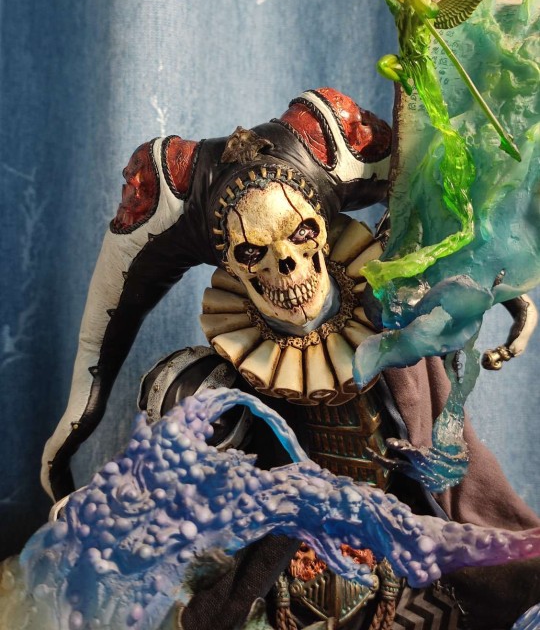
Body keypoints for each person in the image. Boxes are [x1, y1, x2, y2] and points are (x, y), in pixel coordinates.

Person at [41, 88, 539, 629]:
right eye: (252, 252)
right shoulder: (216, 388)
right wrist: (106, 508)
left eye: (300, 233)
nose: (286, 263)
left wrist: (496, 284)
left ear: (321, 230)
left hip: (412, 554)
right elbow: (177, 482)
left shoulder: (395, 319)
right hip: (295, 571)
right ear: (234, 266)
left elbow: (461, 255)